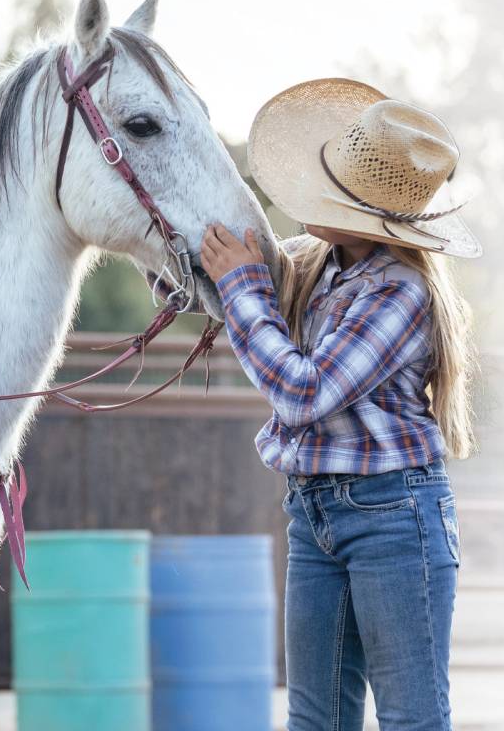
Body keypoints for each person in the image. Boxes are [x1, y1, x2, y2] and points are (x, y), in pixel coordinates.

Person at [200, 78, 481, 731]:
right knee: (314, 718)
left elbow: (303, 392)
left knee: (410, 718)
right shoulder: (315, 264)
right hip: (314, 508)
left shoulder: (400, 293)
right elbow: (237, 299)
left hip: (393, 514)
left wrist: (240, 284)